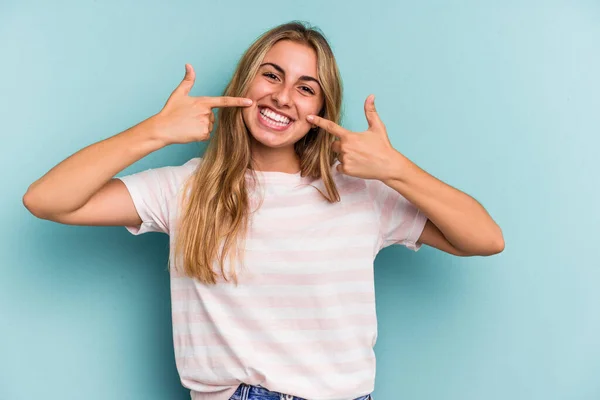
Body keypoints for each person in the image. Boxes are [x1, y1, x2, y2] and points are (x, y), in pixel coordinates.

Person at [23, 21, 504, 400]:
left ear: (322, 108)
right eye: (271, 75)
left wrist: (396, 169)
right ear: (246, 82)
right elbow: (46, 200)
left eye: (306, 86)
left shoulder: (360, 194)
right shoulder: (186, 188)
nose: (282, 96)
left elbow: (485, 239)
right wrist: (156, 132)